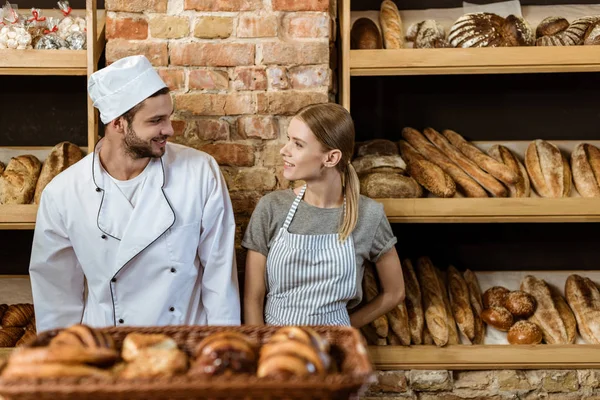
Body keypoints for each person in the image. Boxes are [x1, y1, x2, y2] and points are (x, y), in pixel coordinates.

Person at [30, 55, 240, 332]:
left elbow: (220, 275)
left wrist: (224, 349)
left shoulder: (200, 172)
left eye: (168, 117)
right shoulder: (64, 193)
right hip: (109, 348)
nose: (169, 129)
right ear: (118, 123)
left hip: (187, 344)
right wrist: (65, 360)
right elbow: (56, 294)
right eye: (156, 120)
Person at [242, 102, 405, 327]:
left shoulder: (369, 215)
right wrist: (261, 351)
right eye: (289, 139)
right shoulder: (272, 208)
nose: (284, 150)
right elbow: (253, 298)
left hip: (334, 350)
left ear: (331, 158)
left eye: (298, 144)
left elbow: (395, 292)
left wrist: (345, 328)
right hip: (276, 346)